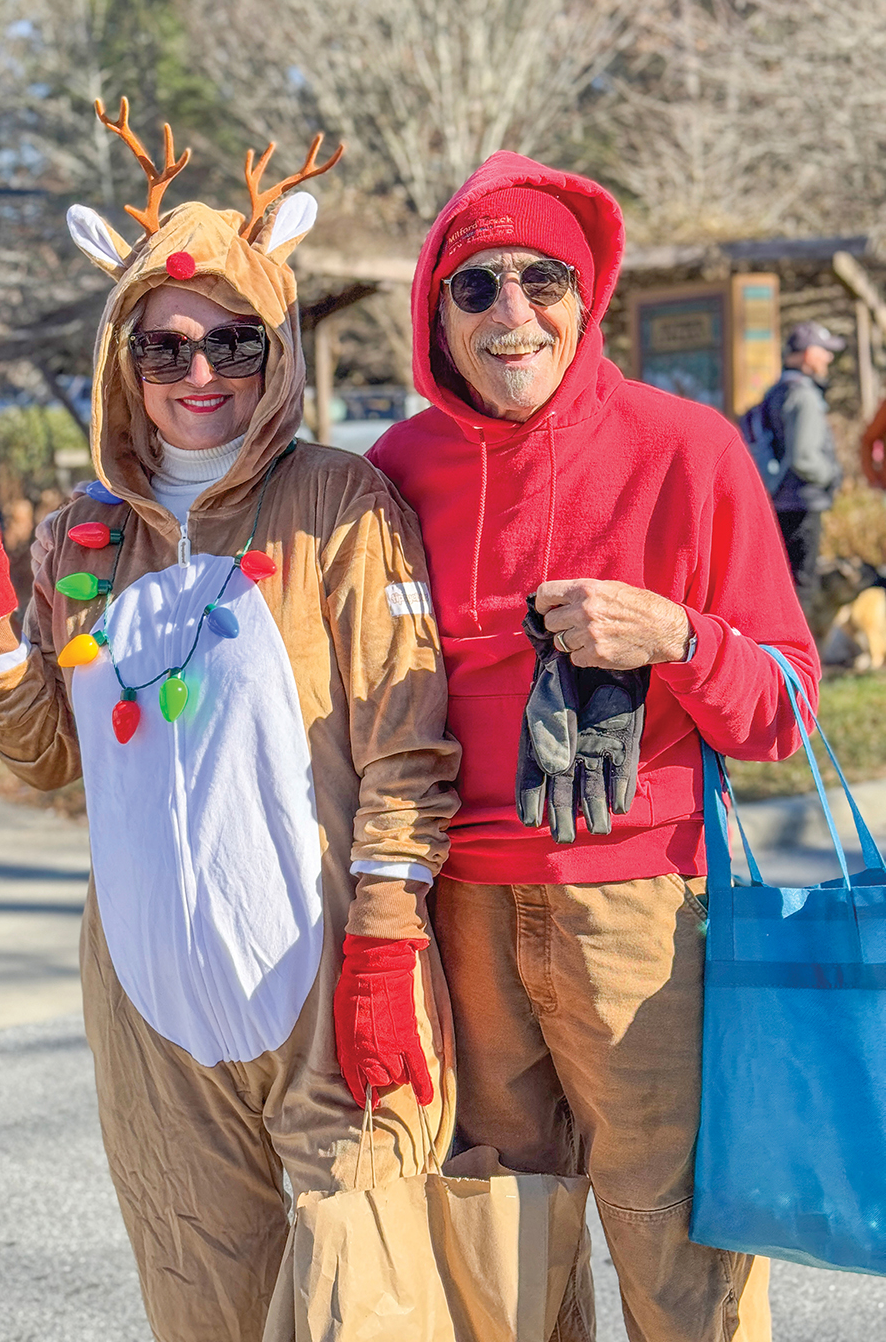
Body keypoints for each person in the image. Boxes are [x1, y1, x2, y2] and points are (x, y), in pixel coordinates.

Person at [0, 102, 461, 1342]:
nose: (200, 375)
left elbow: (409, 740)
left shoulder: (338, 502)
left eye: (236, 344)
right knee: (202, 1312)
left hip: (333, 996)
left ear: (280, 353)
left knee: (361, 1309)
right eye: (164, 349)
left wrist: (382, 946)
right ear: (122, 359)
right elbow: (51, 758)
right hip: (153, 1018)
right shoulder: (84, 536)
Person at [367, 152, 819, 1342]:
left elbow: (785, 707)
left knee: (674, 1235)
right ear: (436, 314)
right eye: (475, 288)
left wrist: (676, 633)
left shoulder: (691, 448)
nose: (512, 314)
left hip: (640, 908)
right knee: (501, 1237)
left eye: (542, 279)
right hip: (461, 910)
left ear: (588, 293)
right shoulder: (395, 473)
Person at [759, 320, 845, 613]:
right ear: (809, 354)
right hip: (801, 503)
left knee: (781, 585)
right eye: (825, 351)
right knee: (802, 587)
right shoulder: (804, 396)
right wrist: (832, 476)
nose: (829, 359)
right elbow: (803, 458)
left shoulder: (776, 391)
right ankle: (799, 658)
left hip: (777, 501)